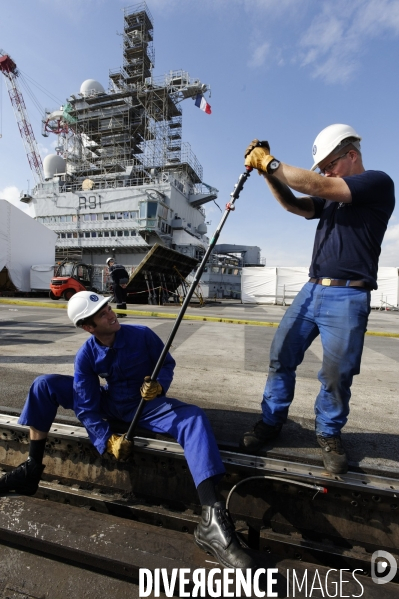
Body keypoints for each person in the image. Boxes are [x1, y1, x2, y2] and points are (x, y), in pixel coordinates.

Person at [0, 291, 255, 570]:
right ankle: (32, 469)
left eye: (109, 308)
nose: (111, 313)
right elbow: (86, 405)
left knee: (193, 418)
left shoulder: (143, 335)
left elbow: (166, 365)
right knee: (44, 384)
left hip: (146, 406)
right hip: (110, 402)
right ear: (89, 327)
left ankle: (211, 516)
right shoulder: (86, 355)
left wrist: (159, 386)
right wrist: (107, 439)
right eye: (103, 314)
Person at [240, 124, 395, 474]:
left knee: (337, 373)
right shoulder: (329, 198)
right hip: (312, 289)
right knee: (281, 356)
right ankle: (271, 420)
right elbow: (296, 204)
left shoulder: (377, 183)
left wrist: (271, 162)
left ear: (351, 155)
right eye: (322, 167)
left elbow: (320, 184)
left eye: (329, 164)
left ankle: (328, 432)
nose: (325, 172)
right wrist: (268, 174)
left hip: (349, 294)